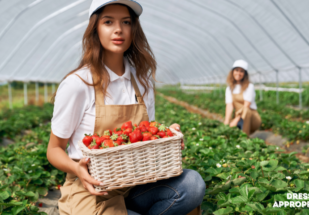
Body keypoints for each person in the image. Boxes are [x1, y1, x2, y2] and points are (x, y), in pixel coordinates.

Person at [46, 1, 205, 214]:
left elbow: (144, 141)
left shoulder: (142, 82)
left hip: (135, 185)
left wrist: (166, 135)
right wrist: (77, 168)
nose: (118, 29)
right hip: (91, 190)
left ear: (133, 29)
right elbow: (54, 149)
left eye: (126, 22)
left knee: (192, 184)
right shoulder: (78, 84)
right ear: (96, 28)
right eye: (108, 22)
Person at [223, 59, 261, 136]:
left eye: (241, 71)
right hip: (239, 117)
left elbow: (246, 105)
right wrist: (226, 122)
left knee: (246, 110)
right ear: (232, 72)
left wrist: (236, 120)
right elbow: (229, 105)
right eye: (236, 70)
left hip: (252, 118)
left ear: (245, 74)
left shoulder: (249, 86)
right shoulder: (229, 88)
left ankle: (245, 139)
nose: (238, 73)